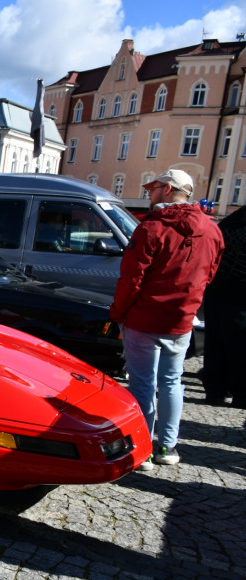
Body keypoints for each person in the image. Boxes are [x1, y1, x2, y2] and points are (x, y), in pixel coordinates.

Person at [110, 169, 223, 471]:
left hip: (145, 319)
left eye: (153, 187)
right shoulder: (211, 230)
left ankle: (144, 448)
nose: (148, 192)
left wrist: (118, 313)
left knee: (143, 385)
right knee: (172, 382)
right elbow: (209, 274)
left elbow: (131, 279)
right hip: (180, 320)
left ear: (168, 189)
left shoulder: (152, 228)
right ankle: (167, 447)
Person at [202, 204, 246, 407]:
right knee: (238, 346)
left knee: (216, 343)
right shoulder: (234, 225)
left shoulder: (228, 223)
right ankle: (239, 393)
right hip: (237, 294)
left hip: (217, 289)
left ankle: (215, 390)